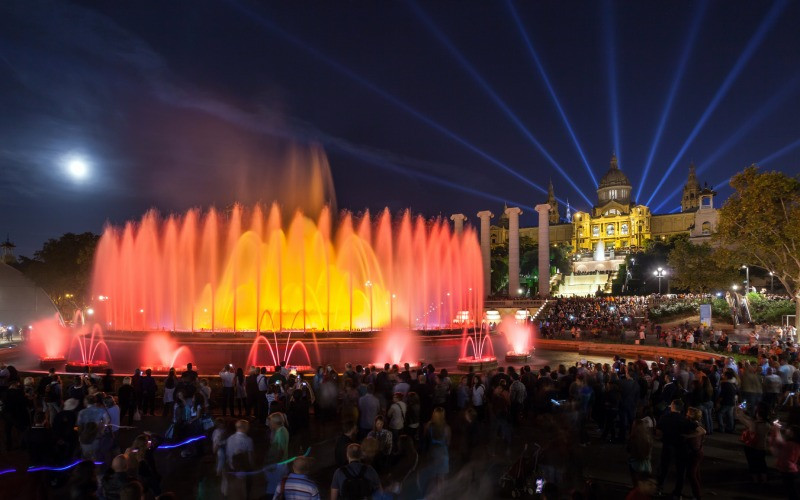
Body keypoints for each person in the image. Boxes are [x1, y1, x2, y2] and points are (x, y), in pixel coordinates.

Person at [656, 399, 697, 496]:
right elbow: (699, 429)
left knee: (664, 468)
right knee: (680, 470)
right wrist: (688, 436)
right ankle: (678, 491)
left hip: (667, 445)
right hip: (681, 446)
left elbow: (658, 433)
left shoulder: (664, 418)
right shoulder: (684, 420)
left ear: (672, 407)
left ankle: (659, 488)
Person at [420, 407, 451, 495]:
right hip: (443, 453)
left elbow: (425, 440)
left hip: (432, 453)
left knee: (433, 475)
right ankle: (440, 494)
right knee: (441, 478)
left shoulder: (428, 425)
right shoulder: (447, 428)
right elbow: (448, 443)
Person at [737, 404, 770, 483]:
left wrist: (740, 409)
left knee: (752, 464)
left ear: (758, 415)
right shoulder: (767, 425)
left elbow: (741, 418)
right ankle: (764, 481)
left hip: (751, 447)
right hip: (762, 448)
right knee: (762, 464)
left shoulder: (752, 424)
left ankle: (755, 481)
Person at [770, 423, 800, 499]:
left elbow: (776, 443)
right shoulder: (796, 444)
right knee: (791, 488)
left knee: (791, 489)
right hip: (792, 469)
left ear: (793, 433)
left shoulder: (789, 444)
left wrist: (775, 430)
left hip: (788, 469)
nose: (787, 430)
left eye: (789, 429)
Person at [226, 420, 255, 499]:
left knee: (234, 491)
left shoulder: (229, 439)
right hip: (243, 470)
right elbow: (250, 457)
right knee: (245, 491)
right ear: (245, 428)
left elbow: (228, 454)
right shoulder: (248, 440)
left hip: (231, 468)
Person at [685, 407, 707, 500]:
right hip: (699, 451)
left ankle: (697, 495)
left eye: (688, 413)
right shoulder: (698, 424)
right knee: (696, 473)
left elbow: (703, 432)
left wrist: (688, 436)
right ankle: (698, 492)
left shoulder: (693, 425)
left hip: (695, 452)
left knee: (692, 474)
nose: (686, 414)